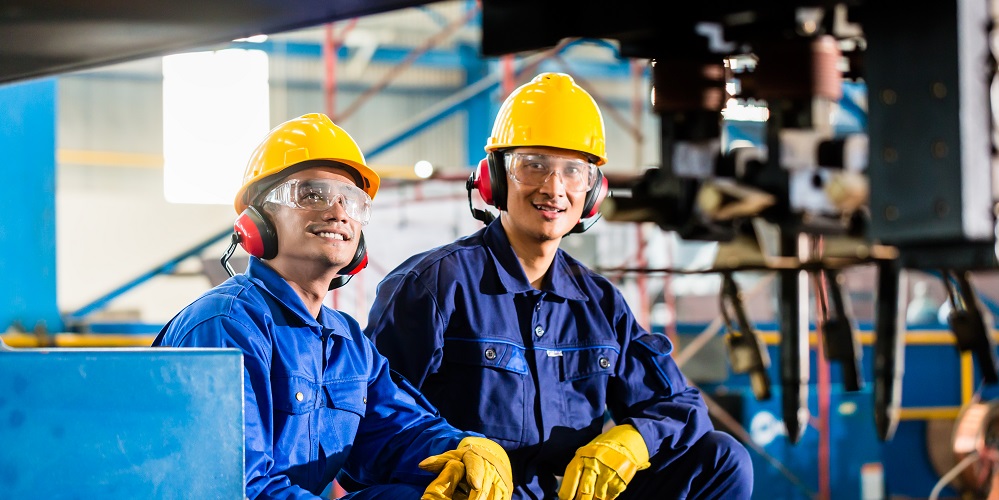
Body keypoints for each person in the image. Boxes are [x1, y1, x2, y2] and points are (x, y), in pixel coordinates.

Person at [365, 73, 753, 499]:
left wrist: (634, 439)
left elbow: (680, 405)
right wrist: (454, 451)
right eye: (533, 165)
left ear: (593, 190)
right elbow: (373, 422)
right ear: (495, 178)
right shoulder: (433, 286)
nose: (554, 188)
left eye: (573, 171)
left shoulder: (600, 303)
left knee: (721, 458)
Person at [153, 113, 513, 500]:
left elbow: (396, 431)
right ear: (258, 219)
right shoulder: (226, 325)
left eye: (352, 200)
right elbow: (235, 489)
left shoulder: (346, 342)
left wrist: (463, 448)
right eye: (313, 195)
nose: (339, 212)